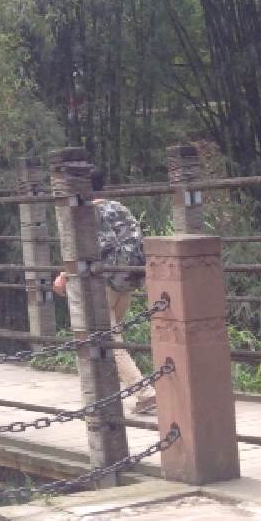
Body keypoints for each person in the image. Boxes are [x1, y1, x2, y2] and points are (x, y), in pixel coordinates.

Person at [52, 172, 155, 414]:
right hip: (127, 280)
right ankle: (105, 394)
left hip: (103, 283)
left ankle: (145, 393)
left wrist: (64, 275)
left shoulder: (86, 213)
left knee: (107, 342)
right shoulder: (120, 207)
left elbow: (93, 249)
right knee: (110, 337)